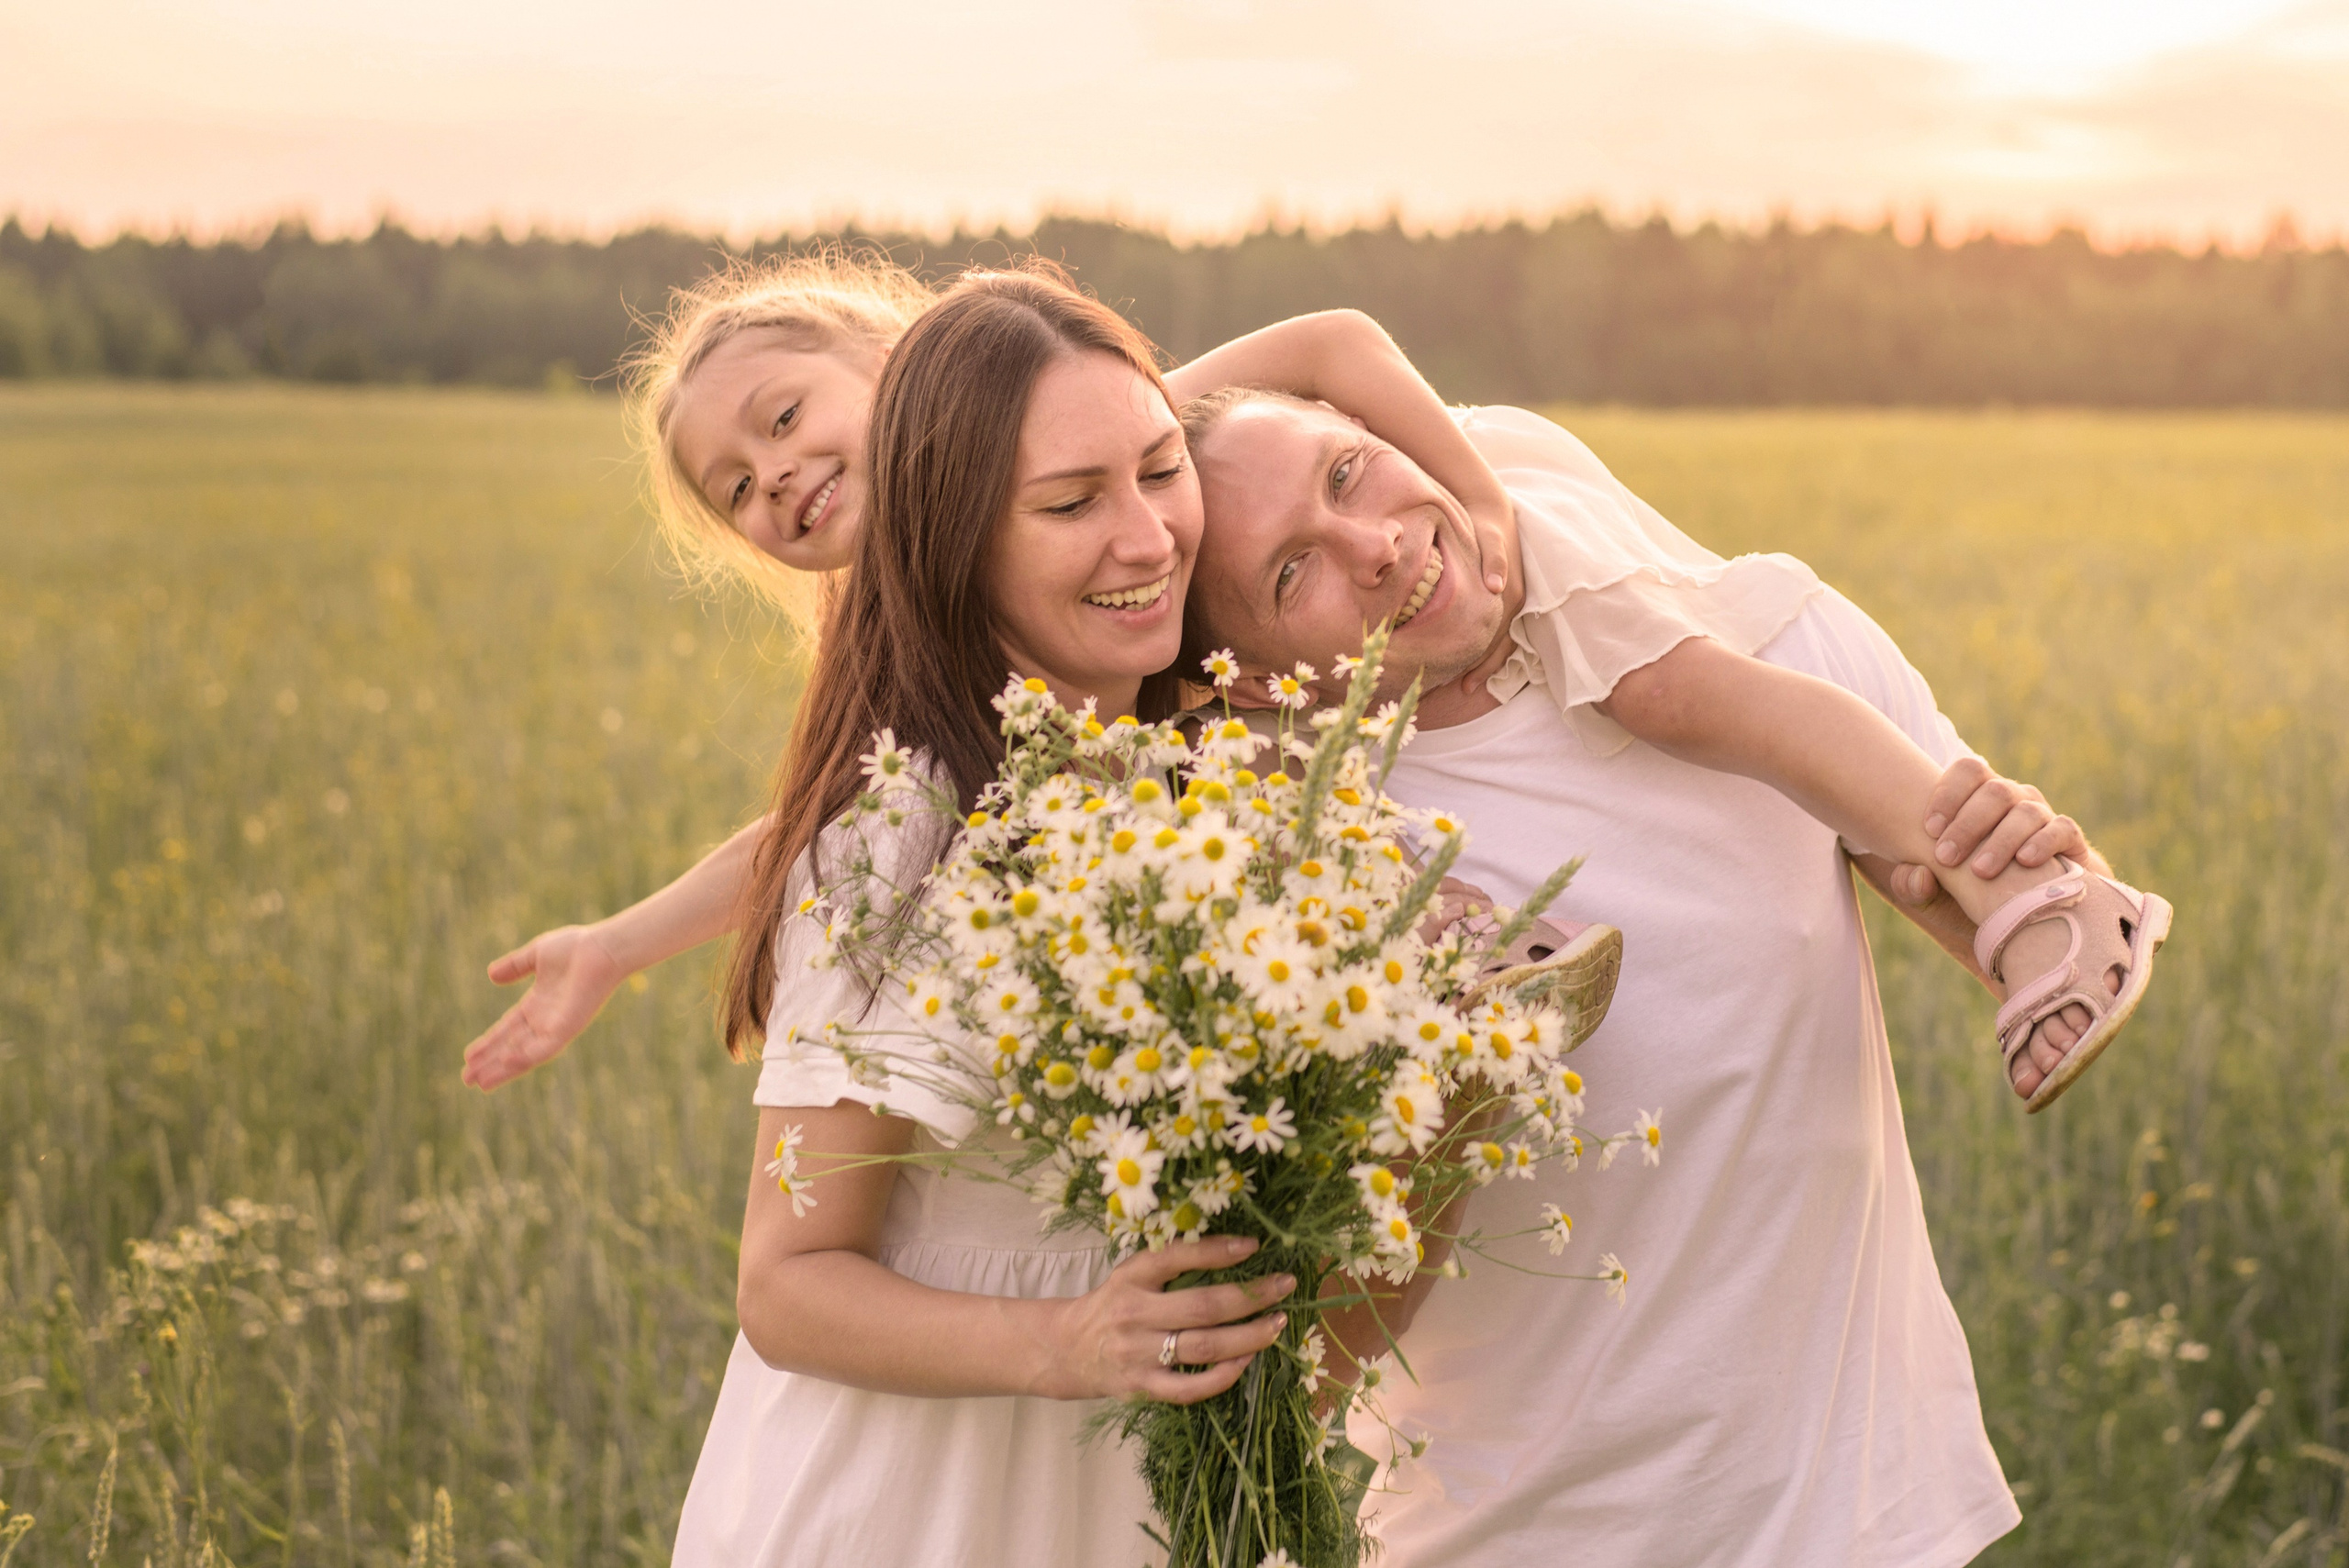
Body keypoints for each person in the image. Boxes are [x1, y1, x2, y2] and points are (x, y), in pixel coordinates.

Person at [462, 279, 2088, 1095]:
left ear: (887, 359)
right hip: (1317, 677)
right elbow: (819, 831)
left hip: (1452, 526)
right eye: (738, 488)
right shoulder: (942, 653)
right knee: (1263, 816)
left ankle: (2010, 902)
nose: (777, 476)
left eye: (786, 415)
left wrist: (1480, 495)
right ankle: (1485, 975)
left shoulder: (1111, 412)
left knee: (1702, 692)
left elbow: (1334, 344)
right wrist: (619, 940)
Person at [1174, 389, 2158, 1563]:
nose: (1376, 543)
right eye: (1293, 575)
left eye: (1346, 472)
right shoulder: (1290, 871)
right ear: (1243, 682)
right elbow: (1307, 1363)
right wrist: (1444, 1113)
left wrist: (2030, 852)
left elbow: (2043, 924)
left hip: (1867, 1518)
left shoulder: (1767, 644)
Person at [671, 266, 1310, 1567]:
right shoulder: (904, 836)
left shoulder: (1213, 759)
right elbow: (785, 1286)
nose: (1148, 539)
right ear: (954, 537)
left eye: (1160, 469)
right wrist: (1067, 1344)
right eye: (1071, 503)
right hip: (927, 1507)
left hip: (1149, 1483)